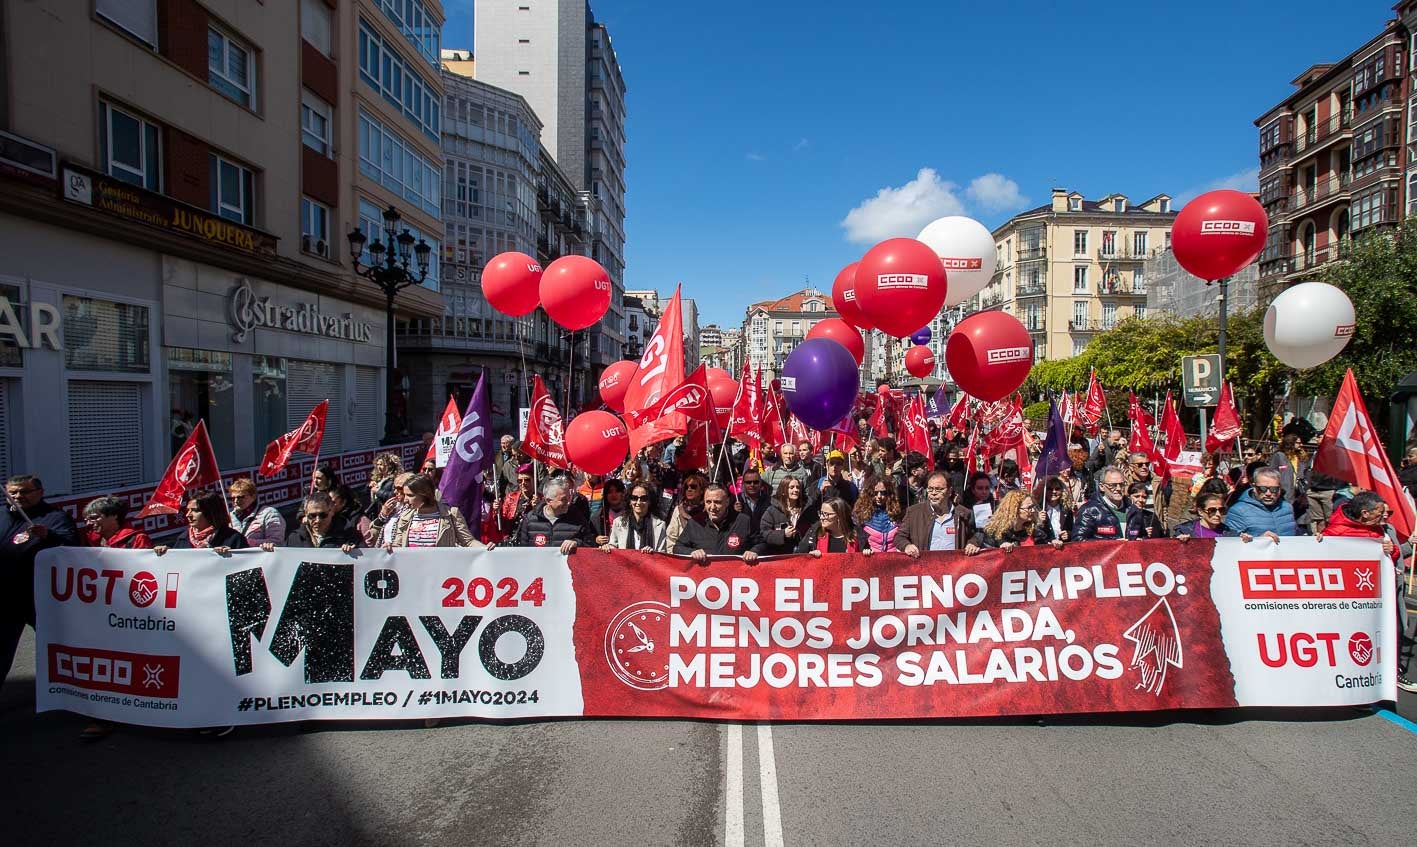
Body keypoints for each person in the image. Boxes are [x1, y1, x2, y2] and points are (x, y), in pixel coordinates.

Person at [2, 475, 82, 688]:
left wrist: (49, 535)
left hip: (41, 597)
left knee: (62, 645)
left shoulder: (55, 518)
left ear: (40, 492)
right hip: (6, 598)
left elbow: (73, 547)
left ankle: (78, 694)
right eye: (13, 492)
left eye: (25, 492)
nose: (18, 496)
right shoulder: (1, 515)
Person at [383, 474, 481, 549]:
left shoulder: (451, 514)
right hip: (412, 572)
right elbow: (398, 545)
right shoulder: (405, 517)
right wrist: (389, 547)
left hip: (442, 572)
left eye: (410, 495)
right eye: (405, 495)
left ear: (424, 494)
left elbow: (468, 542)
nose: (405, 500)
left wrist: (487, 550)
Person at [672, 483, 763, 563]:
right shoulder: (695, 523)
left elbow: (762, 543)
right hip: (706, 579)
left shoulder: (744, 521)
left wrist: (755, 551)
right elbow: (677, 547)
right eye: (708, 502)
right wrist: (691, 552)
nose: (712, 507)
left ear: (727, 502)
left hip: (735, 578)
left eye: (717, 502)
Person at [896, 472, 980, 557]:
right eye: (930, 489)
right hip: (924, 566)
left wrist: (972, 544)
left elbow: (974, 536)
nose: (933, 493)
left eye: (938, 489)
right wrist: (907, 546)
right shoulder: (914, 512)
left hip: (954, 567)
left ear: (949, 491)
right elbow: (899, 537)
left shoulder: (963, 513)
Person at [515, 477, 598, 554]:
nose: (568, 502)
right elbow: (523, 550)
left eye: (569, 498)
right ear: (548, 501)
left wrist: (577, 543)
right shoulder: (531, 519)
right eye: (563, 499)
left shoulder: (578, 518)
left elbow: (591, 545)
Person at [154, 493, 248, 554]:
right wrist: (166, 553)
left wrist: (231, 557)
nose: (188, 515)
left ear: (211, 512)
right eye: (188, 510)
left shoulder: (234, 539)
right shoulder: (183, 539)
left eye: (195, 510)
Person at [1226, 467, 1299, 542]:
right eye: (1262, 489)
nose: (1268, 493)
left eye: (1274, 489)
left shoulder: (1287, 507)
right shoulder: (1238, 511)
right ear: (1254, 487)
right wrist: (1260, 540)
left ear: (1280, 488)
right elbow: (1231, 542)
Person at [974, 490, 1062, 552]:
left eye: (1033, 507)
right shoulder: (993, 533)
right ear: (1015, 510)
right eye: (1029, 508)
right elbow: (987, 557)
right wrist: (1000, 550)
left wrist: (1052, 544)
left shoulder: (1035, 531)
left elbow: (1044, 549)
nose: (1033, 511)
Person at [281, 493, 362, 551]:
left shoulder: (349, 536)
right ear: (305, 514)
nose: (317, 520)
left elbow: (364, 560)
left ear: (331, 512)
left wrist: (353, 551)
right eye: (312, 516)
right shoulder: (294, 538)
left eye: (323, 515)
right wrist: (271, 550)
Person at [603, 482, 668, 552]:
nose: (638, 502)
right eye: (634, 498)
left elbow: (662, 554)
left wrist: (653, 554)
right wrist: (607, 547)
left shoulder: (660, 525)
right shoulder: (618, 523)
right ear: (630, 501)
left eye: (643, 498)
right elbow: (613, 549)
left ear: (649, 501)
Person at [760, 477, 818, 554]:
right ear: (783, 491)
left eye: (798, 487)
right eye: (791, 487)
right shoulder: (772, 510)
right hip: (781, 555)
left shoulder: (807, 509)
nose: (796, 490)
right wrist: (783, 534)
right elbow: (764, 533)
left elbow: (816, 528)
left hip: (804, 555)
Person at [1269, 433, 1312, 530]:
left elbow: (1307, 474)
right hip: (1284, 493)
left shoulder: (1302, 457)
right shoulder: (1279, 456)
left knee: (1301, 519)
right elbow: (1272, 473)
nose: (1300, 445)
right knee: (1286, 518)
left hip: (1299, 493)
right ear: (1290, 443)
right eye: (1298, 443)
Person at [798, 497, 868, 556]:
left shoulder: (858, 535)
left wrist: (867, 554)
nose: (822, 517)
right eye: (821, 513)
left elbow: (865, 565)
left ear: (839, 516)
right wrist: (811, 556)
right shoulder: (815, 532)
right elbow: (800, 555)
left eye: (826, 514)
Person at [1075, 467, 1129, 542]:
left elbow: (1143, 537)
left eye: (1122, 484)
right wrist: (1112, 544)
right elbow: (1078, 540)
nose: (1118, 488)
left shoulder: (1132, 509)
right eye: (1112, 485)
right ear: (1101, 487)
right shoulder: (1089, 510)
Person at [228, 477, 285, 547]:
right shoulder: (229, 517)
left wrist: (246, 543)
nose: (236, 501)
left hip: (261, 557)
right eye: (232, 498)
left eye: (241, 497)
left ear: (253, 496)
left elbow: (277, 542)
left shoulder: (269, 514)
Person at [854, 474, 903, 553]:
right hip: (872, 560)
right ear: (869, 493)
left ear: (889, 494)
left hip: (894, 559)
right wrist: (865, 549)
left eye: (883, 493)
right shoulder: (861, 515)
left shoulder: (898, 513)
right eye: (875, 493)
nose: (879, 496)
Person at [81, 496, 153, 549]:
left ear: (114, 515)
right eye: (86, 520)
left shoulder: (137, 540)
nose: (88, 523)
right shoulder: (90, 539)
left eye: (94, 518)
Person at [366, 471, 415, 545]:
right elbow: (373, 532)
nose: (395, 491)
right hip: (384, 552)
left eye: (399, 488)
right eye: (394, 488)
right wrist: (383, 515)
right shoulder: (393, 508)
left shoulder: (414, 510)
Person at [666, 471, 708, 548]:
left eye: (693, 487)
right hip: (683, 555)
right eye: (686, 487)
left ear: (702, 490)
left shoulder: (708, 510)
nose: (689, 489)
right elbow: (671, 537)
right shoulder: (679, 510)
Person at [735, 468, 773, 535]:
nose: (752, 485)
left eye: (755, 482)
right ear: (743, 484)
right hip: (743, 539)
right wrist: (734, 511)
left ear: (760, 483)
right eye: (748, 482)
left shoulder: (769, 500)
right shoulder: (736, 499)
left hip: (762, 539)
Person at [1035, 476, 1073, 544]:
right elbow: (1033, 532)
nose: (1054, 491)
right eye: (1050, 489)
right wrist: (1038, 521)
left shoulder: (1066, 510)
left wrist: (1068, 534)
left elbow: (1072, 529)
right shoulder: (1038, 509)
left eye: (1057, 489)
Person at [593, 478, 626, 547]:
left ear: (622, 493)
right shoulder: (598, 516)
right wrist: (596, 539)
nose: (614, 495)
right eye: (610, 492)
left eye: (617, 491)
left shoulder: (630, 513)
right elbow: (589, 535)